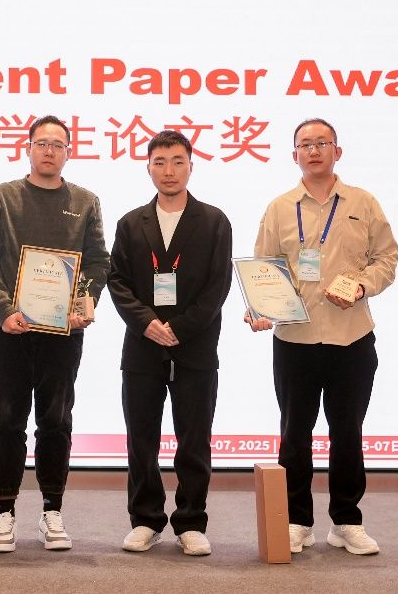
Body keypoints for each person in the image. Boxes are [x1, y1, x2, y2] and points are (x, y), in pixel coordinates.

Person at [248, 118, 398, 557]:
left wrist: (362, 285)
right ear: (294, 155)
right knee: (294, 434)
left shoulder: (363, 203)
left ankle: (347, 521)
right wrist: (259, 308)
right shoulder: (280, 208)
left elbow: (387, 259)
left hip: (352, 339)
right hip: (295, 340)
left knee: (347, 432)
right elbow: (264, 267)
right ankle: (297, 520)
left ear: (337, 151)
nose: (313, 151)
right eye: (305, 145)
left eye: (322, 143)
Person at [0, 115, 110, 552]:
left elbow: (97, 261)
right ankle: (5, 511)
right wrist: (4, 310)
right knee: (6, 420)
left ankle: (52, 509)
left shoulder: (85, 202)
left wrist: (81, 305)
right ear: (28, 148)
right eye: (42, 143)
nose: (49, 150)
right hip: (9, 330)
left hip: (63, 333)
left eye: (58, 144)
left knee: (56, 421)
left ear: (69, 152)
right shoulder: (1, 197)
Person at [107, 130, 232, 557]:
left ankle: (191, 521)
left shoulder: (213, 221)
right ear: (148, 168)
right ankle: (145, 519)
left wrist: (179, 327)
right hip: (142, 348)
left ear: (191, 166)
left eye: (178, 161)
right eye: (160, 162)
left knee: (194, 439)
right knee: (141, 439)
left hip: (195, 347)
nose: (169, 171)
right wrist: (147, 323)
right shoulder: (131, 223)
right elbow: (118, 281)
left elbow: (218, 285)